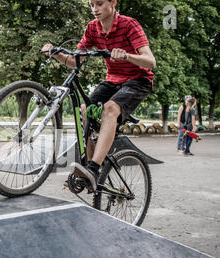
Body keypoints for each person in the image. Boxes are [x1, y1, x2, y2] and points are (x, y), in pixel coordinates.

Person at [42, 0, 156, 191]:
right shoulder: (92, 28)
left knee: (110, 109)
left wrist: (127, 55)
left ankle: (94, 168)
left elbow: (150, 62)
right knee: (85, 111)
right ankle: (91, 168)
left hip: (138, 79)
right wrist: (55, 53)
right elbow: (74, 61)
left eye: (100, 4)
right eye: (91, 4)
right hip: (113, 80)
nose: (95, 9)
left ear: (113, 2)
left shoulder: (129, 24)